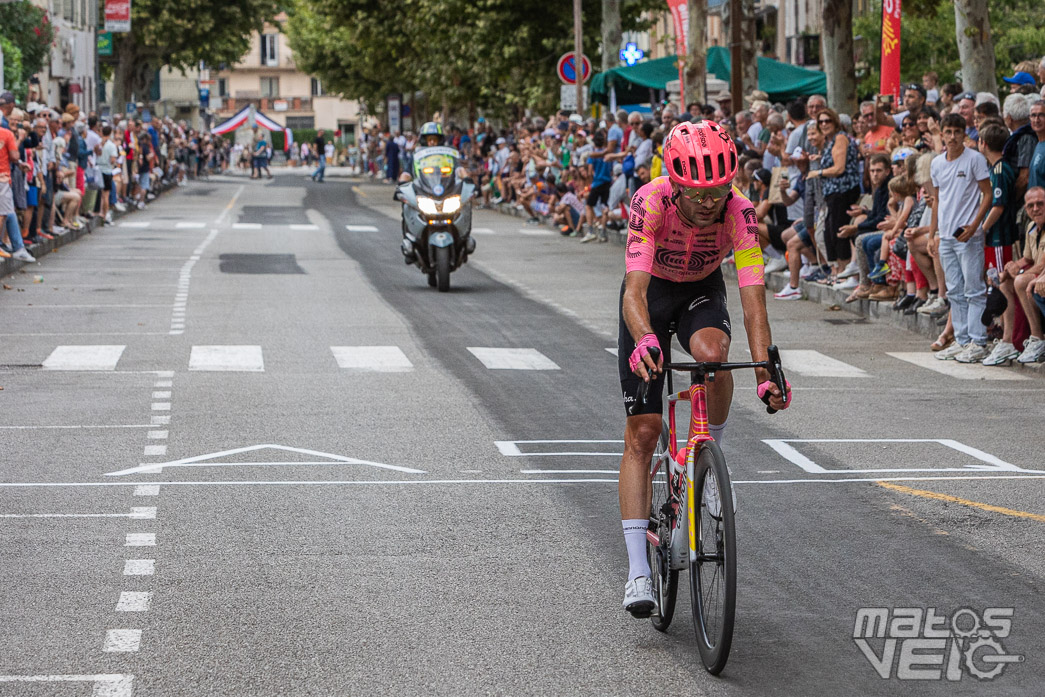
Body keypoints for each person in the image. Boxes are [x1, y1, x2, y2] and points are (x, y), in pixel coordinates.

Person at [617, 120, 790, 616]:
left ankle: (708, 461)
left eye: (717, 191)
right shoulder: (649, 201)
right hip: (649, 296)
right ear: (675, 182)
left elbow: (753, 299)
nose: (709, 202)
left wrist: (765, 372)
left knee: (713, 356)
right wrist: (645, 337)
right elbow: (633, 292)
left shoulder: (741, 212)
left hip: (699, 289)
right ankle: (637, 572)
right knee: (644, 434)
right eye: (697, 194)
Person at [929, 113, 993, 363]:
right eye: (948, 132)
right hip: (946, 236)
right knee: (954, 290)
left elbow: (987, 194)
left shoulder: (975, 159)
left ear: (964, 133)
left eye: (958, 131)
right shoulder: (936, 163)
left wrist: (975, 224)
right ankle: (963, 339)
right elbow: (937, 200)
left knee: (973, 289)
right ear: (942, 134)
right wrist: (933, 233)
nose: (953, 136)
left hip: (969, 235)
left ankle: (978, 341)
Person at [999, 187, 1045, 363]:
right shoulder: (1032, 226)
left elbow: (1042, 264)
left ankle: (1037, 337)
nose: (1035, 209)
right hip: (1038, 276)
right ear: (1025, 209)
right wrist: (1010, 267)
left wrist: (1019, 272)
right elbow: (1027, 258)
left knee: (1020, 280)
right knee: (1005, 283)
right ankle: (1008, 341)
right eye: (1031, 205)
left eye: (1040, 204)